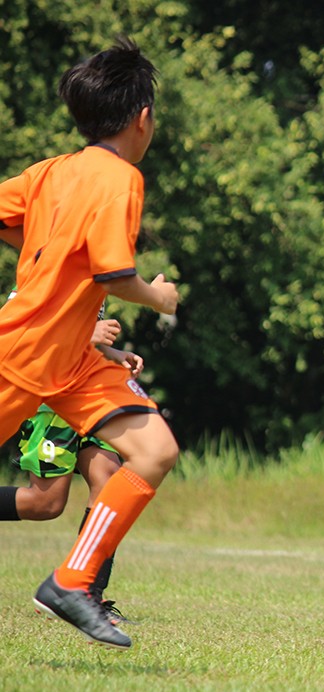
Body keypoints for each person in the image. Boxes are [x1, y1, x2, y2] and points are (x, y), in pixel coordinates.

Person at [0, 37, 180, 650]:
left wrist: (42, 254)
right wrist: (157, 296)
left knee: (154, 450)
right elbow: (114, 274)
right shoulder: (120, 178)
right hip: (23, 354)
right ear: (144, 117)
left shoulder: (51, 171)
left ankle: (71, 582)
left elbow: (7, 219)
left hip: (73, 360)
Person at [1, 303, 143, 620]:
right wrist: (87, 333)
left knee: (109, 480)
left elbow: (80, 332)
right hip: (50, 400)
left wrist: (110, 352)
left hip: (90, 395)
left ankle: (86, 594)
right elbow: (19, 333)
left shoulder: (96, 269)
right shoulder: (46, 263)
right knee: (45, 504)